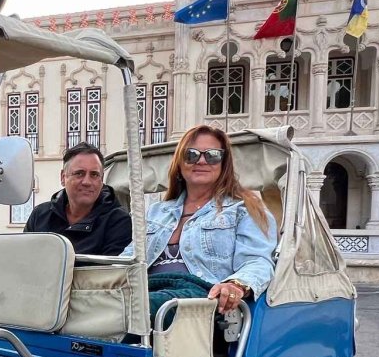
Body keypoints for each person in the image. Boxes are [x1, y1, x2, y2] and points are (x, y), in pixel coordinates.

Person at [121, 125, 276, 317]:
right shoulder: (155, 212)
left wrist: (236, 285)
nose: (201, 161)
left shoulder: (243, 209)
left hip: (201, 295)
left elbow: (257, 261)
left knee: (135, 309)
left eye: (212, 155)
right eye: (191, 154)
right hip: (147, 289)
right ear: (179, 163)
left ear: (224, 164)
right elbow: (128, 260)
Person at [23, 143, 132, 256]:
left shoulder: (118, 221)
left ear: (101, 179)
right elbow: (23, 259)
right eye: (79, 173)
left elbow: (110, 272)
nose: (87, 182)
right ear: (63, 177)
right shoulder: (40, 215)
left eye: (94, 175)